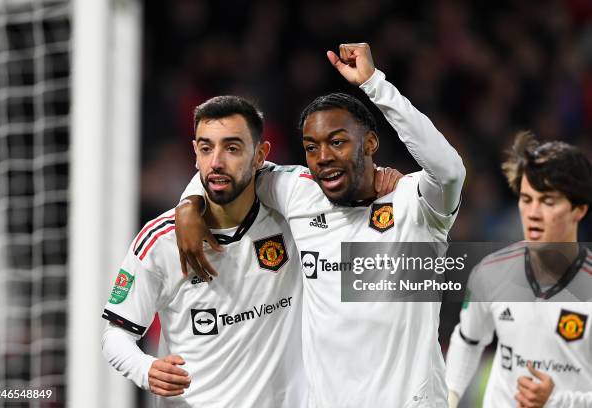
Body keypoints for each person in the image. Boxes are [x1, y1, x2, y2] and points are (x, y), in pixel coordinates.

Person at [177, 43, 466, 407]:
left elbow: (450, 169)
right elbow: (232, 169)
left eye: (338, 142)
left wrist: (375, 84)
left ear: (371, 143)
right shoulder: (299, 194)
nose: (323, 157)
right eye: (311, 147)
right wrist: (189, 204)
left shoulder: (414, 203)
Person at [101, 95, 309, 407]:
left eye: (232, 148)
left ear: (260, 155)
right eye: (206, 148)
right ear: (195, 153)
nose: (216, 162)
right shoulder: (160, 240)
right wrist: (145, 369)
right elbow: (115, 336)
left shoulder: (291, 220)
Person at [445, 132, 592, 408]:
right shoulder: (491, 272)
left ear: (579, 210)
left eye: (548, 201)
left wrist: (557, 402)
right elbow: (468, 340)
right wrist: (449, 398)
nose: (533, 213)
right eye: (526, 199)